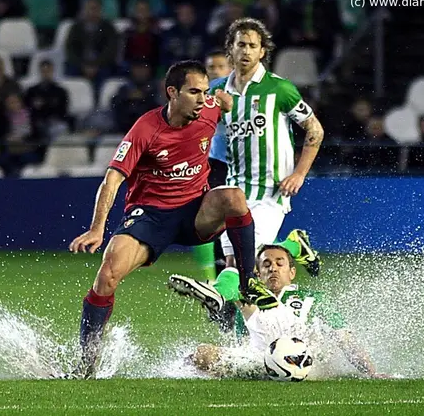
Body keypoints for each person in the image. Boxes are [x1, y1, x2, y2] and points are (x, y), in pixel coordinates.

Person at [68, 60, 277, 378]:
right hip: (150, 217)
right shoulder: (146, 128)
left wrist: (228, 101)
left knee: (233, 198)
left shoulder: (209, 107)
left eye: (205, 92)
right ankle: (85, 366)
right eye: (194, 92)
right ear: (172, 93)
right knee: (107, 274)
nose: (202, 98)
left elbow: (226, 100)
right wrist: (97, 229)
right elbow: (112, 179)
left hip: (196, 212)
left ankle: (248, 282)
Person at [168, 245, 389, 379]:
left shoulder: (315, 300)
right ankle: (220, 292)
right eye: (266, 264)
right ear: (258, 272)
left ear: (292, 271)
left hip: (301, 360)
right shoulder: (247, 301)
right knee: (201, 353)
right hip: (258, 360)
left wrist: (370, 371)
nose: (272, 268)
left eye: (279, 263)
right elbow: (242, 343)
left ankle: (218, 290)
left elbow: (344, 338)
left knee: (240, 285)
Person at [211, 17, 325, 276]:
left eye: (253, 46)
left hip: (271, 190)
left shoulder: (279, 89)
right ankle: (294, 246)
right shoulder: (216, 91)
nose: (246, 51)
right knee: (233, 264)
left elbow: (314, 129)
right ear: (231, 48)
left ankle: (292, 248)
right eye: (241, 44)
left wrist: (299, 174)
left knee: (245, 263)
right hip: (234, 191)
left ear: (262, 52)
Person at [191, 50, 234, 281]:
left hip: (247, 165)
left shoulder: (244, 92)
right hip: (217, 165)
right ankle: (218, 278)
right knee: (216, 221)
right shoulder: (207, 96)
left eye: (220, 66)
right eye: (211, 67)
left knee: (249, 221)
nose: (215, 71)